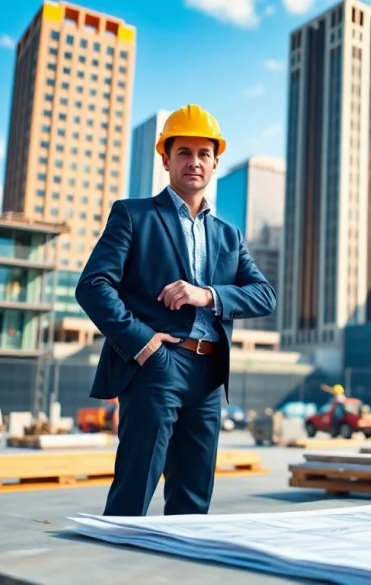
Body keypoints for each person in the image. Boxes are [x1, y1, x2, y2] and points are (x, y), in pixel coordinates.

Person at [76, 104, 277, 517]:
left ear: (215, 162)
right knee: (134, 491)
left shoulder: (229, 235)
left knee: (192, 503)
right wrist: (143, 343)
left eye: (204, 154)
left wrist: (207, 295)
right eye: (184, 152)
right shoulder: (134, 215)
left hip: (208, 377)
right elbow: (93, 286)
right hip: (156, 365)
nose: (194, 162)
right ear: (165, 159)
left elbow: (264, 296)